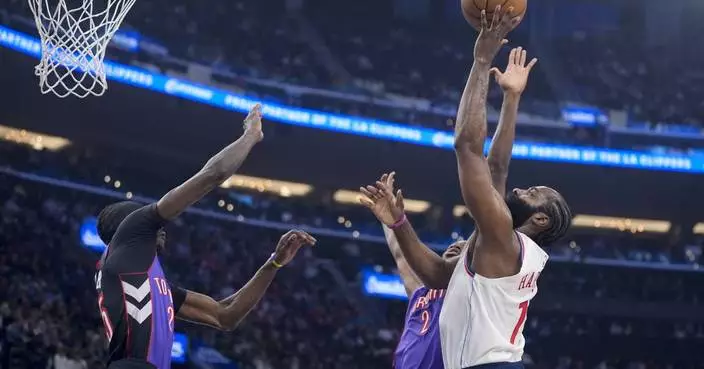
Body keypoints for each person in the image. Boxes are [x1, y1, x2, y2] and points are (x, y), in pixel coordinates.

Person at [360, 6, 571, 369]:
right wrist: (511, 97)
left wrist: (481, 60)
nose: (523, 189)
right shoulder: (501, 245)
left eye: (534, 192)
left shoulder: (503, 240)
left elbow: (468, 147)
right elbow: (436, 275)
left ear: (539, 221)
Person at [93, 104, 317, 369]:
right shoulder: (132, 229)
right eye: (154, 226)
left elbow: (225, 316)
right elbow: (212, 175)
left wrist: (274, 262)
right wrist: (250, 136)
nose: (162, 228)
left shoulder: (145, 282)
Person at [372, 173, 465, 369]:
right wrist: (389, 219)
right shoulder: (422, 291)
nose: (456, 245)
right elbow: (400, 254)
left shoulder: (474, 294)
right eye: (454, 245)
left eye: (463, 248)